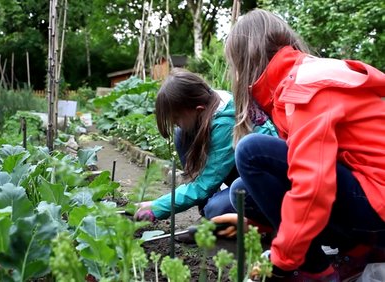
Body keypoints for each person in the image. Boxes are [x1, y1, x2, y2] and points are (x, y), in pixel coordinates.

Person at [221, 8, 385, 281]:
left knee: (252, 152)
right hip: (370, 191)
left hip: (377, 196)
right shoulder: (300, 77)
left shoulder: (305, 87)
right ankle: (360, 250)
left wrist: (282, 258)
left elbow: (313, 184)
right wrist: (253, 222)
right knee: (242, 191)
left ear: (246, 58)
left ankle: (314, 269)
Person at [134, 68, 277, 227]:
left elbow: (203, 185)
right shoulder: (210, 100)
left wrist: (157, 207)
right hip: (241, 172)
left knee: (215, 210)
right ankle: (208, 207)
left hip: (264, 187)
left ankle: (252, 220)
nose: (174, 123)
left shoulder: (226, 123)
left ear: (199, 110)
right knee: (182, 134)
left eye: (176, 118)